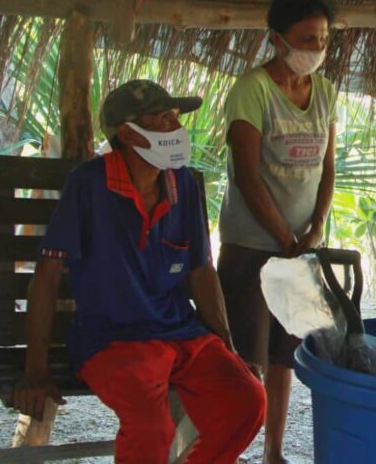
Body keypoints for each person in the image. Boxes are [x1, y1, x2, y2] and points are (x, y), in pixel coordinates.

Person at [14, 80, 266, 464]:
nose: (178, 127)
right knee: (151, 428)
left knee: (246, 400)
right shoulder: (89, 184)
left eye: (177, 117)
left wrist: (228, 350)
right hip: (112, 341)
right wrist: (36, 371)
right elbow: (47, 276)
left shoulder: (183, 183)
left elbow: (201, 270)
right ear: (130, 134)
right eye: (165, 118)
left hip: (181, 333)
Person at [218, 0, 337, 464]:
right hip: (251, 245)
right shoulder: (252, 90)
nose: (316, 48)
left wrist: (316, 228)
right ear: (277, 39)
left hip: (300, 248)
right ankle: (227, 449)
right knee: (246, 357)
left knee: (285, 356)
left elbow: (328, 169)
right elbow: (247, 176)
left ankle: (273, 452)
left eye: (323, 39)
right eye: (306, 39)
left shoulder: (325, 93)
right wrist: (284, 238)